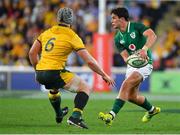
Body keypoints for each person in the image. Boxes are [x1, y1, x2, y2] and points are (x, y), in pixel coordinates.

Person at [29, 7, 115, 129]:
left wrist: (37, 71)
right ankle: (75, 117)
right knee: (85, 87)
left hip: (41, 72)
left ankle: (59, 113)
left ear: (58, 18)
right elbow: (89, 61)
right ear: (71, 20)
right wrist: (104, 74)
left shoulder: (47, 32)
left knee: (54, 89)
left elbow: (32, 53)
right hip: (55, 72)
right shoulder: (72, 36)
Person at [98, 7, 160, 126]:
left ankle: (111, 115)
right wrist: (132, 60)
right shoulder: (117, 39)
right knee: (131, 96)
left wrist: (144, 50)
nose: (111, 21)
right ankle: (152, 110)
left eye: (114, 18)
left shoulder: (136, 27)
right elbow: (126, 57)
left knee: (126, 84)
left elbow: (153, 36)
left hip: (146, 63)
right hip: (133, 65)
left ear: (121, 19)